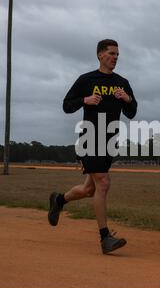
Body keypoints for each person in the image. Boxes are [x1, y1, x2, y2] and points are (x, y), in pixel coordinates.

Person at [48, 39, 137, 254]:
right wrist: (84, 100)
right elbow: (66, 105)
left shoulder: (122, 82)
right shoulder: (86, 80)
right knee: (103, 184)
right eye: (111, 53)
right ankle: (105, 238)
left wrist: (127, 99)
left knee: (90, 189)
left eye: (117, 54)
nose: (115, 57)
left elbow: (132, 112)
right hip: (90, 137)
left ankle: (59, 199)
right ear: (100, 55)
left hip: (110, 140)